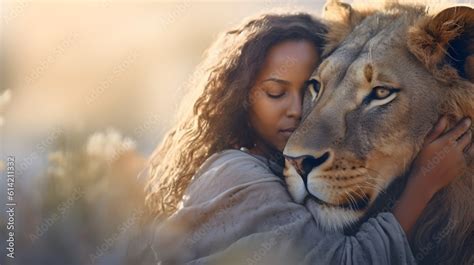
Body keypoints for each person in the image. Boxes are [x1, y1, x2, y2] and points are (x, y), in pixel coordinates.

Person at [129, 12, 472, 264]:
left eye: (308, 88)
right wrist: (423, 185)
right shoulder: (235, 175)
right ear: (239, 99)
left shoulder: (280, 164)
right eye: (276, 92)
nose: (300, 123)